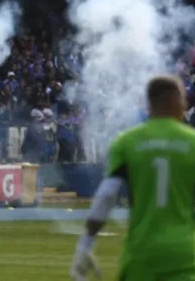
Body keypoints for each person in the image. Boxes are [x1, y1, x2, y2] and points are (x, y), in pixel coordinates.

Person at [71, 75, 195, 281]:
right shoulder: (192, 142)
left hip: (141, 254)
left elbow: (107, 196)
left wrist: (85, 244)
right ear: (176, 100)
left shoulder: (127, 142)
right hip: (184, 256)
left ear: (150, 103)